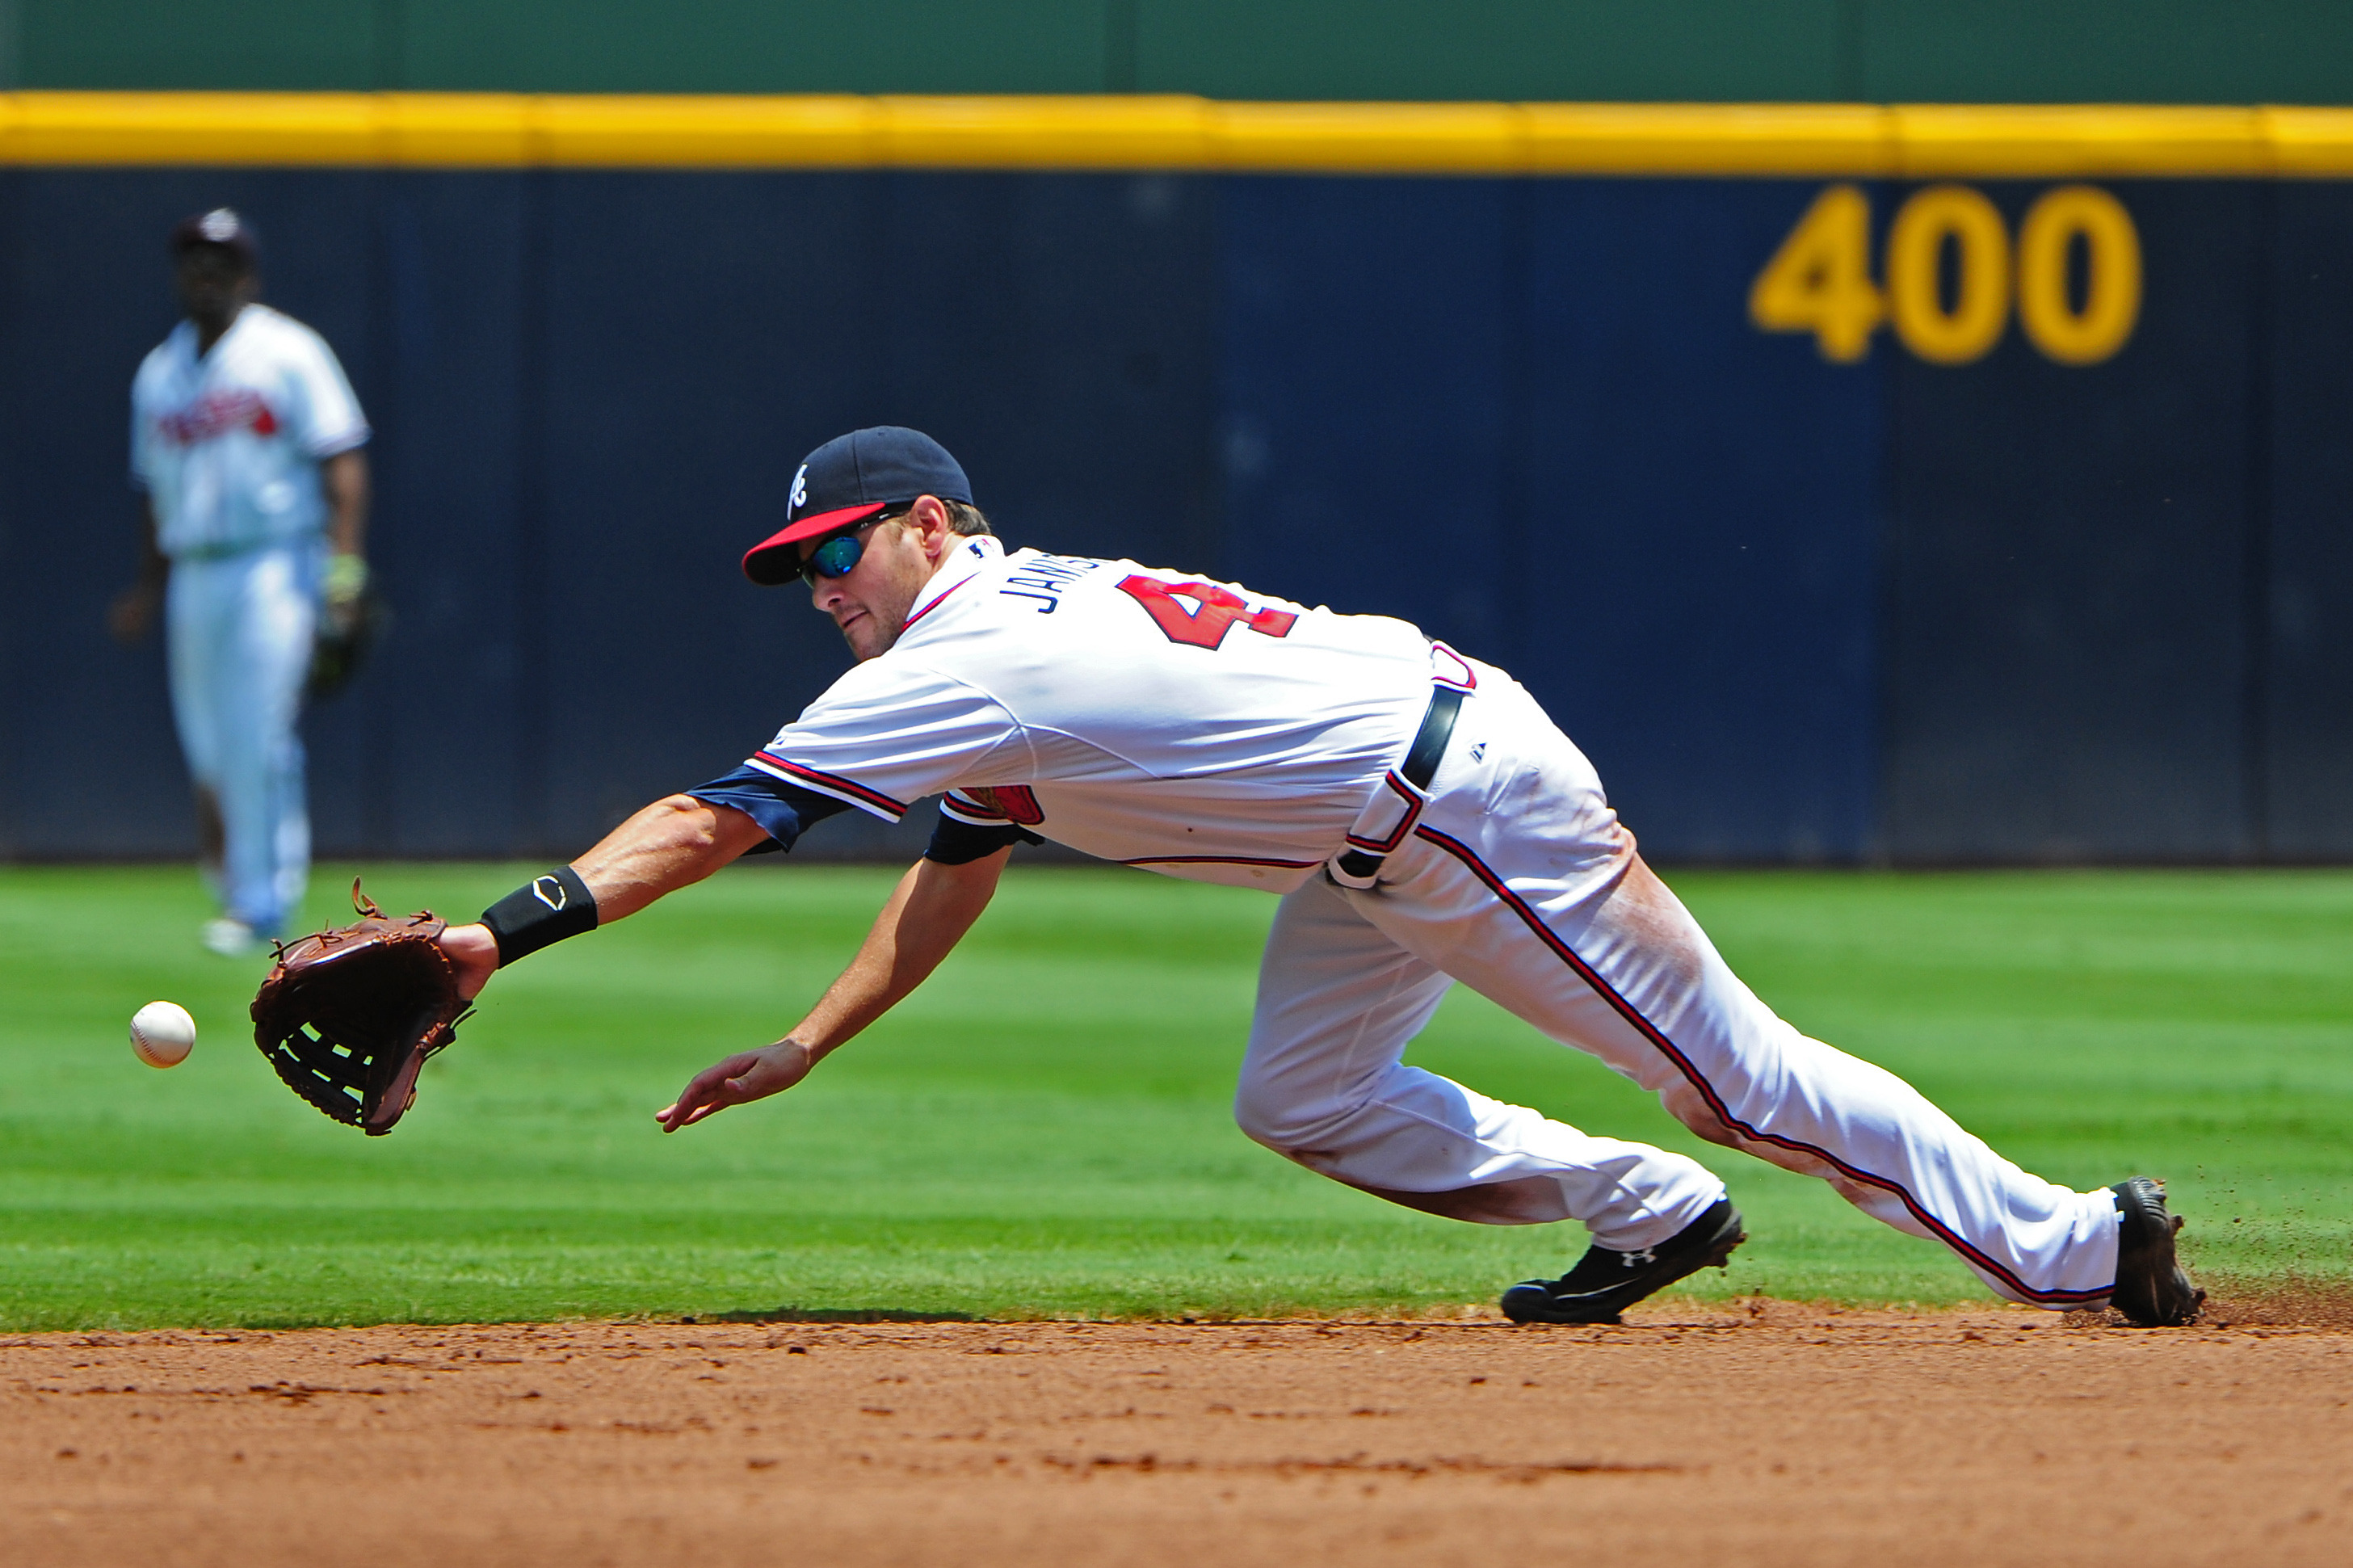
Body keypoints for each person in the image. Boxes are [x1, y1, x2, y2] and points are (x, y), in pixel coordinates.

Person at [435, 426, 2201, 1327]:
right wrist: (812, 1042)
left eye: (834, 552)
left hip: (1459, 815)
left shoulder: (952, 648)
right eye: (796, 568)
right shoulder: (1005, 634)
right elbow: (962, 857)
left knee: (1741, 1074)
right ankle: (1645, 1207)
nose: (819, 586)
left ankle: (2075, 1246)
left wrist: (488, 941)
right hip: (1381, 823)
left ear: (926, 526)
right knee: (1304, 1092)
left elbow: (711, 820)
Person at [110, 209, 373, 956]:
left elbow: (341, 456)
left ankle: (263, 902)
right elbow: (154, 495)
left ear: (247, 274)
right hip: (194, 568)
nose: (206, 272)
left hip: (274, 560)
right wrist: (145, 588)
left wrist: (343, 567)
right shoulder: (160, 372)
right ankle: (234, 887)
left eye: (220, 260)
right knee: (208, 742)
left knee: (258, 731)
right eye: (194, 258)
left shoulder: (287, 350)